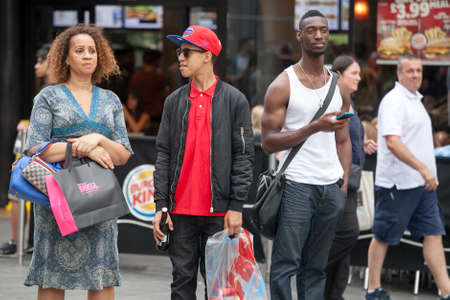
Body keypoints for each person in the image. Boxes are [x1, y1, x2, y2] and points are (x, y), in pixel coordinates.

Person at [23, 25, 132, 300]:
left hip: (99, 197)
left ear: (101, 57)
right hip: (57, 199)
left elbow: (122, 154)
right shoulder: (48, 96)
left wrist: (97, 139)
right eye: (79, 50)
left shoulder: (111, 100)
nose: (87, 56)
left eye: (92, 51)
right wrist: (82, 150)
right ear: (66, 58)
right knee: (51, 275)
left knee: (101, 275)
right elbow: (36, 148)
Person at [152, 25, 254, 300]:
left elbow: (244, 157)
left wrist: (235, 206)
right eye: (179, 51)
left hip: (219, 213)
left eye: (186, 51)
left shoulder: (235, 101)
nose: (180, 58)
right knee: (181, 285)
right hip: (180, 213)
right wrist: (161, 204)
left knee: (219, 288)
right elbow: (163, 154)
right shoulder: (174, 101)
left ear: (207, 55)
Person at [262, 10, 353, 300]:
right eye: (311, 30)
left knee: (316, 267)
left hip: (330, 187)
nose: (318, 35)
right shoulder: (283, 84)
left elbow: (343, 140)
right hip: (296, 184)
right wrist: (315, 127)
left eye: (323, 30)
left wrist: (344, 181)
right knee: (285, 264)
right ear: (300, 36)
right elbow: (268, 143)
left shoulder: (339, 85)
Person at [365, 54, 450, 300]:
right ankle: (373, 288)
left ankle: (446, 291)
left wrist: (426, 170)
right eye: (410, 70)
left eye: (419, 70)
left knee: (433, 233)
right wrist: (422, 168)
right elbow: (392, 142)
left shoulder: (416, 101)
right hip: (398, 183)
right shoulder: (393, 101)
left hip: (422, 185)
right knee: (383, 235)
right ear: (399, 74)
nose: (415, 75)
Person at [325, 55, 377, 300]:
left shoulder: (350, 102)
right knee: (348, 233)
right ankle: (312, 268)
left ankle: (334, 294)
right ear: (339, 75)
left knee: (343, 250)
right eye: (354, 73)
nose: (359, 77)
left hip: (351, 180)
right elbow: (330, 137)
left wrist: (361, 143)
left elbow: (346, 136)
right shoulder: (335, 101)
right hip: (339, 181)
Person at [0, 43, 52, 256]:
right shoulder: (45, 90)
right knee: (20, 194)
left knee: (23, 194)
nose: (36, 66)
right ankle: (23, 242)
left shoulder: (53, 90)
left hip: (49, 156)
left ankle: (22, 242)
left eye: (41, 60)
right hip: (43, 154)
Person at [129, 49, 166, 135]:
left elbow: (132, 92)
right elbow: (163, 95)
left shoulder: (135, 77)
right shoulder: (159, 77)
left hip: (139, 113)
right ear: (156, 61)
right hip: (156, 115)